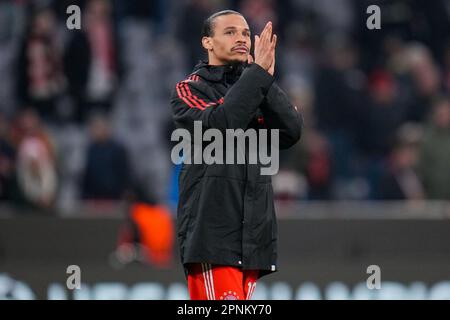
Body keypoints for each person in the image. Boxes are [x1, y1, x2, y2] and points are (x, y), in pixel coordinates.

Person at [170, 10, 303, 300]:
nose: (241, 38)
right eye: (230, 32)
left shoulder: (255, 85)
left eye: (245, 33)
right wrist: (256, 77)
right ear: (207, 42)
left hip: (251, 238)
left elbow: (292, 131)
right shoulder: (189, 88)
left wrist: (264, 78)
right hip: (212, 235)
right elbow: (222, 122)